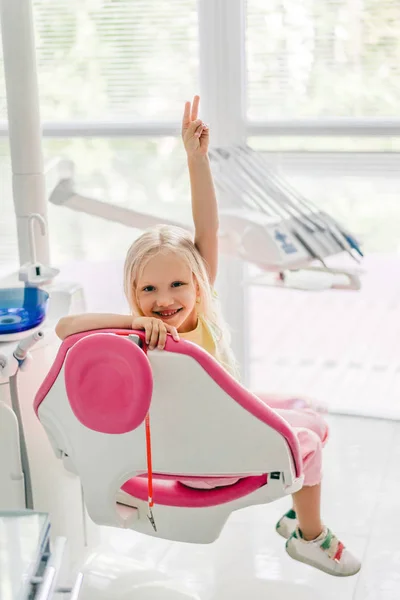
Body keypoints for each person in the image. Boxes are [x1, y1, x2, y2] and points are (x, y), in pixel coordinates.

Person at [56, 96, 361, 578]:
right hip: (205, 457)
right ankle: (309, 536)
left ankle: (296, 513)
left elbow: (208, 228)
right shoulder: (138, 336)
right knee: (307, 440)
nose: (165, 299)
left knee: (313, 414)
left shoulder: (199, 311)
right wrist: (133, 324)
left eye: (177, 284)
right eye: (149, 289)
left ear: (198, 284)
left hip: (221, 428)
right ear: (132, 293)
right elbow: (64, 328)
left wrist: (196, 160)